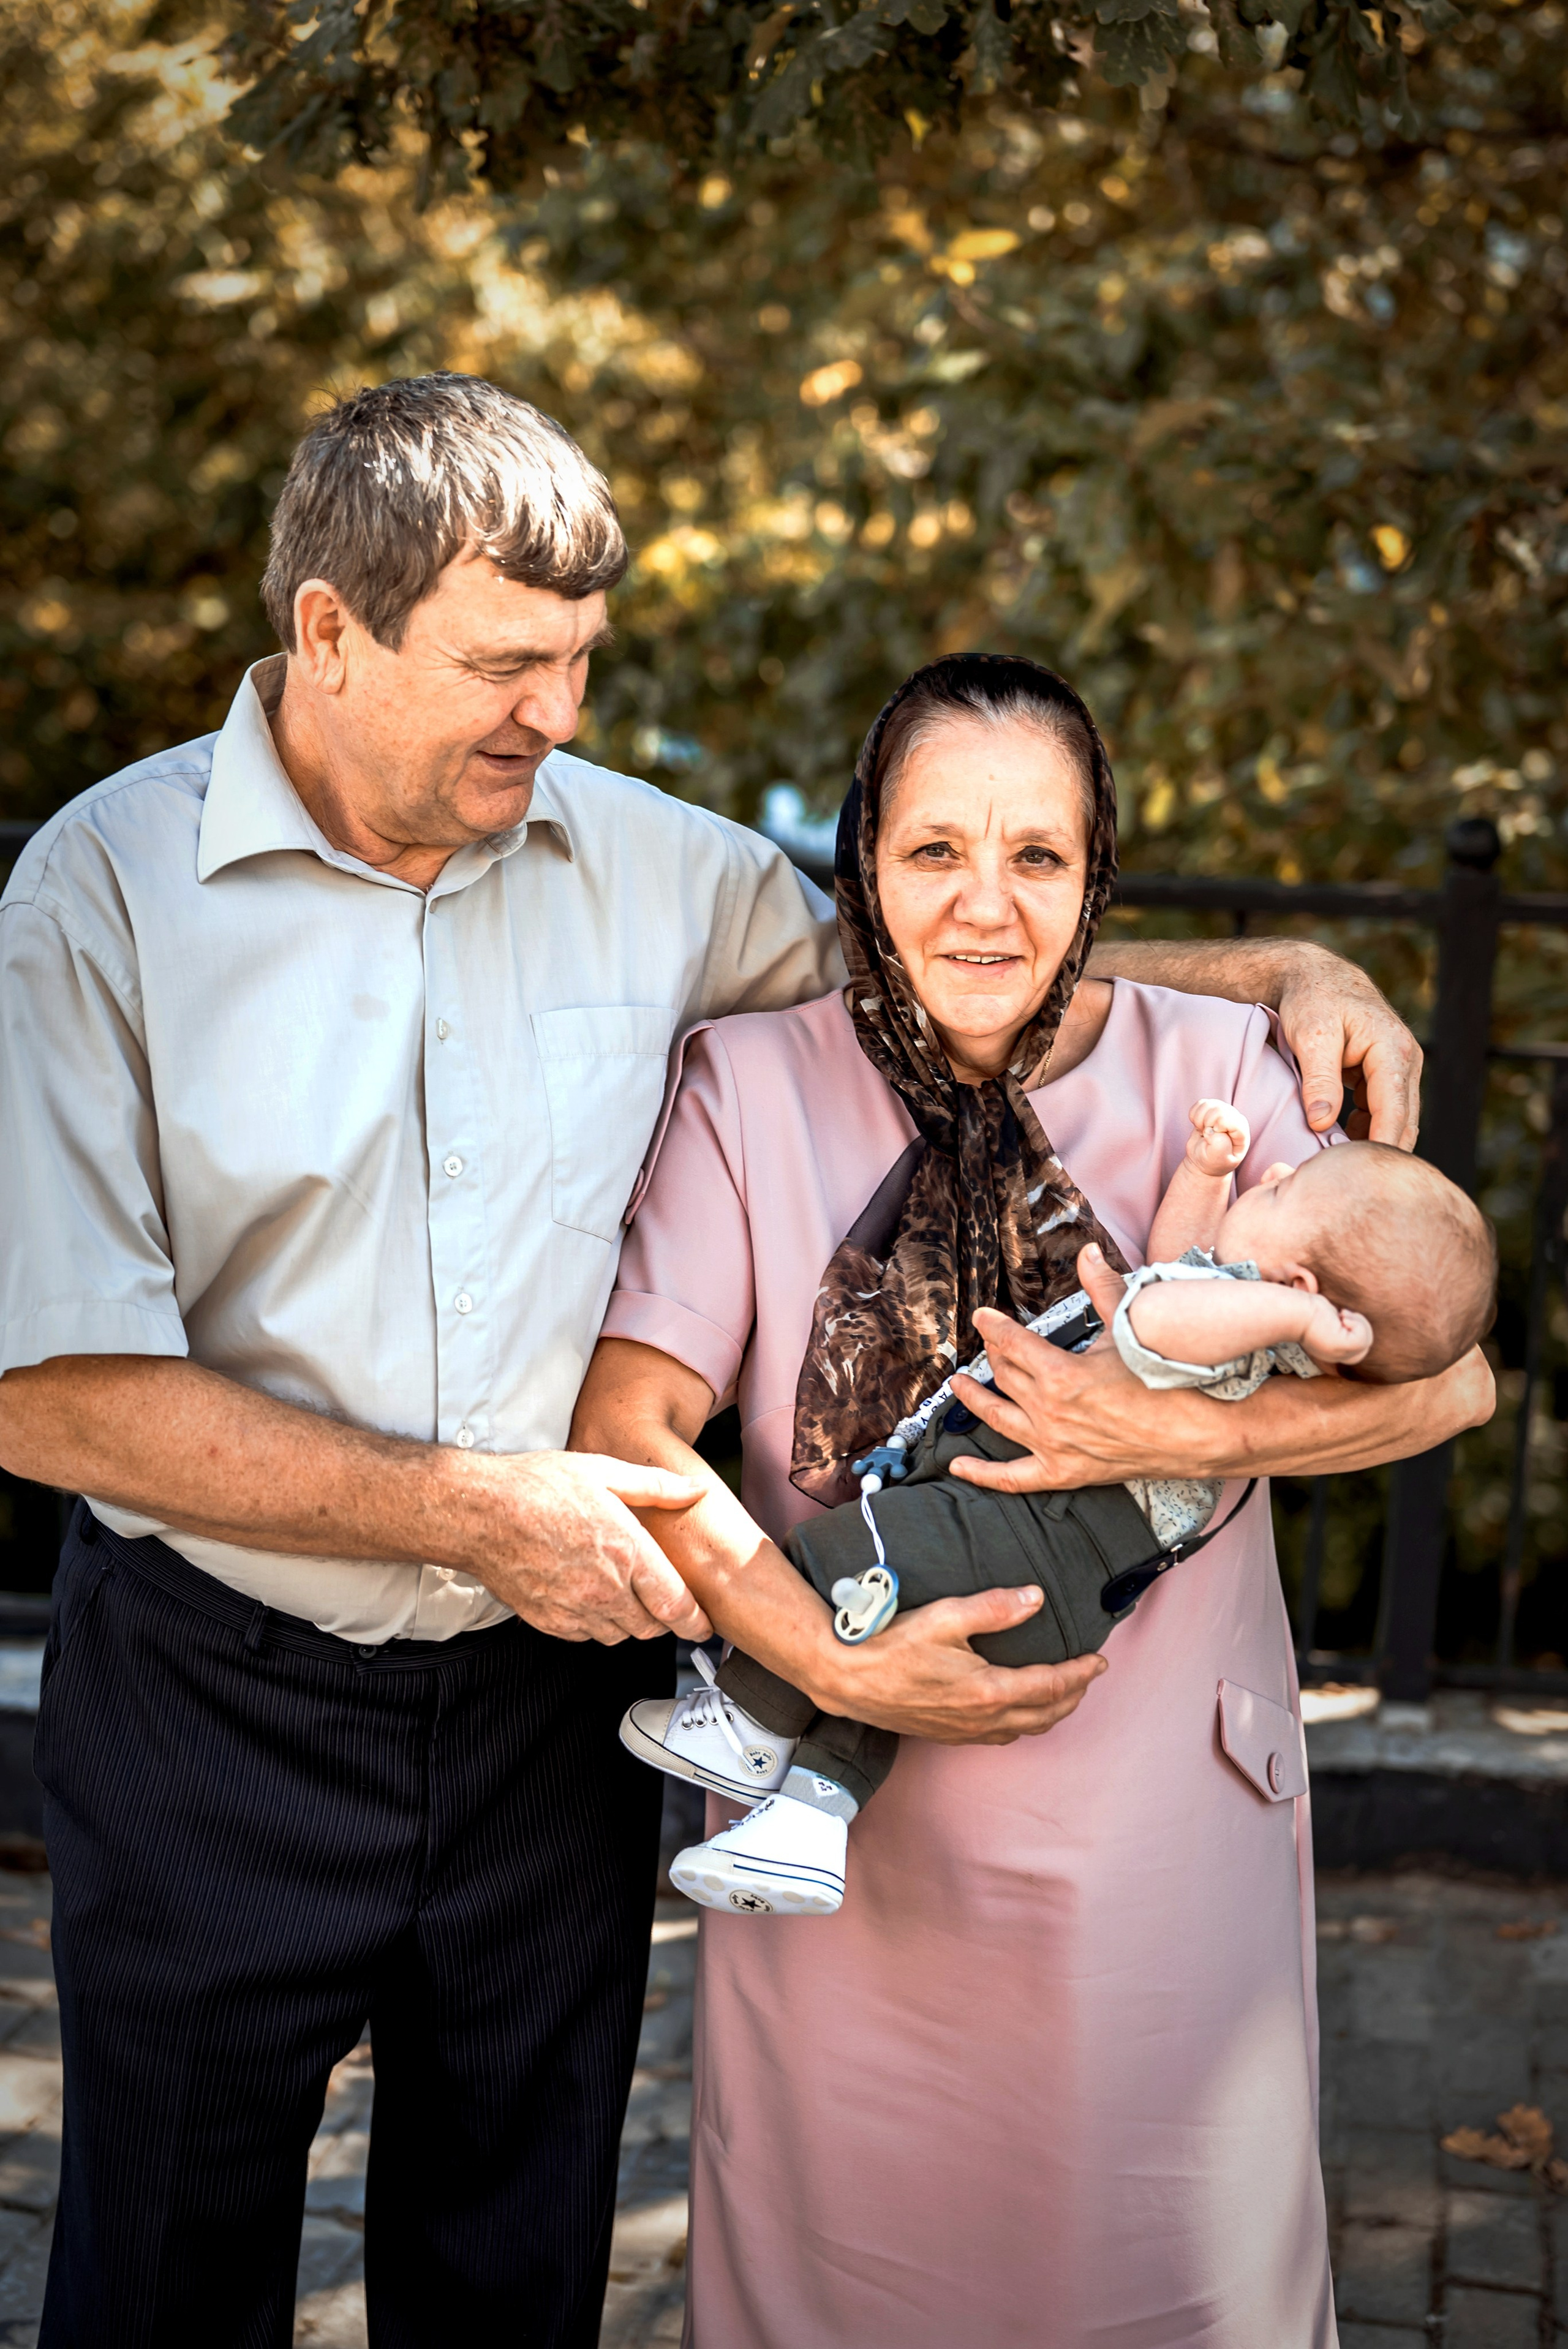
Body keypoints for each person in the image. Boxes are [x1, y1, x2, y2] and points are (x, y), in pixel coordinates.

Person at [0, 371, 1420, 2348]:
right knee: (163, 2277)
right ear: (327, 629)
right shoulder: (98, 895)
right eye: (507, 663)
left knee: (509, 2278)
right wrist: (472, 1509)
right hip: (211, 1696)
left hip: (549, 1714)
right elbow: (48, 1391)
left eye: (581, 658)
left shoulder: (665, 868)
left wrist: (1287, 975)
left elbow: (957, 949)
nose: (561, 713)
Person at [574, 652, 1494, 2347]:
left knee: (1162, 2281)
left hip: (1161, 1826)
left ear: (1097, 874)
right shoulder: (747, 1080)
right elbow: (628, 1418)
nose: (984, 904)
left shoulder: (1229, 1065)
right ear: (861, 859)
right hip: (835, 1835)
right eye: (933, 850)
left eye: (1038, 856)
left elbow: (1448, 1381)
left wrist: (1157, 1431)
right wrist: (814, 1654)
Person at [621, 1100, 1496, 1915]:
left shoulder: (1251, 1330)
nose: (1271, 1173)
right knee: (884, 1662)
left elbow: (1154, 1318)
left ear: (1297, 1285)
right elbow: (1171, 1271)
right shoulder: (1239, 1321)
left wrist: (1291, 1314)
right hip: (1061, 1577)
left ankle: (750, 1718)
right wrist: (1206, 1175)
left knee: (834, 1558)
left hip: (1037, 1535)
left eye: (1283, 1189)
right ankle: (807, 1828)